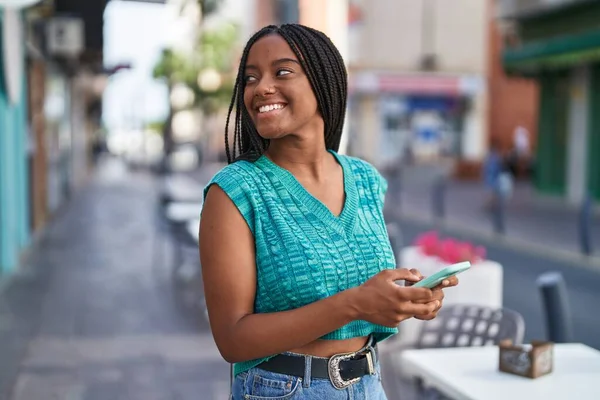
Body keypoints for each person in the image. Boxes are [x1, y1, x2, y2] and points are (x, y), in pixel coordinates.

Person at [199, 24, 459, 399]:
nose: (260, 88)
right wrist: (355, 303)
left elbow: (359, 282)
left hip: (368, 385)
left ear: (323, 81)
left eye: (282, 72)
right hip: (282, 390)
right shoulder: (236, 192)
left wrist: (404, 300)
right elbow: (232, 339)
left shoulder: (365, 179)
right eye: (251, 78)